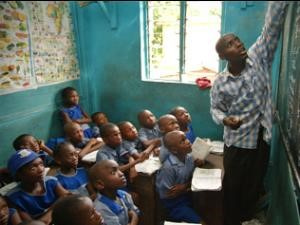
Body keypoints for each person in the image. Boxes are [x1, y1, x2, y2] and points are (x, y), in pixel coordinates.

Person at [210, 2, 288, 225]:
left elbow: (271, 27)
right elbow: (215, 109)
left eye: (237, 40)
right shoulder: (221, 83)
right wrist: (225, 119)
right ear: (224, 55)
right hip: (237, 144)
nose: (238, 43)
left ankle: (246, 220)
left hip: (261, 139)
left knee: (253, 187)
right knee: (233, 189)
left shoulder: (259, 57)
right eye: (231, 44)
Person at [6, 149, 70, 225]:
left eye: (41, 164)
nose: (41, 170)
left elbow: (67, 196)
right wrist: (56, 206)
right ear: (19, 175)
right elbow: (31, 223)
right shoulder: (15, 198)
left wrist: (47, 217)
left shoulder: (50, 181)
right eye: (33, 168)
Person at [155, 130, 204, 223]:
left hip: (186, 196)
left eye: (185, 138)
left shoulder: (189, 157)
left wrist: (185, 187)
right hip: (174, 204)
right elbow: (167, 194)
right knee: (200, 222)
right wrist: (185, 187)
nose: (188, 141)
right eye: (183, 141)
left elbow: (189, 177)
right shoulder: (168, 168)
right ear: (174, 150)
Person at [80, 160, 140, 225]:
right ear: (100, 184)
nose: (121, 173)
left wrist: (134, 215)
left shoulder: (123, 194)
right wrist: (134, 217)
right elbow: (134, 213)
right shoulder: (101, 208)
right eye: (113, 172)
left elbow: (136, 211)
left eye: (119, 170)